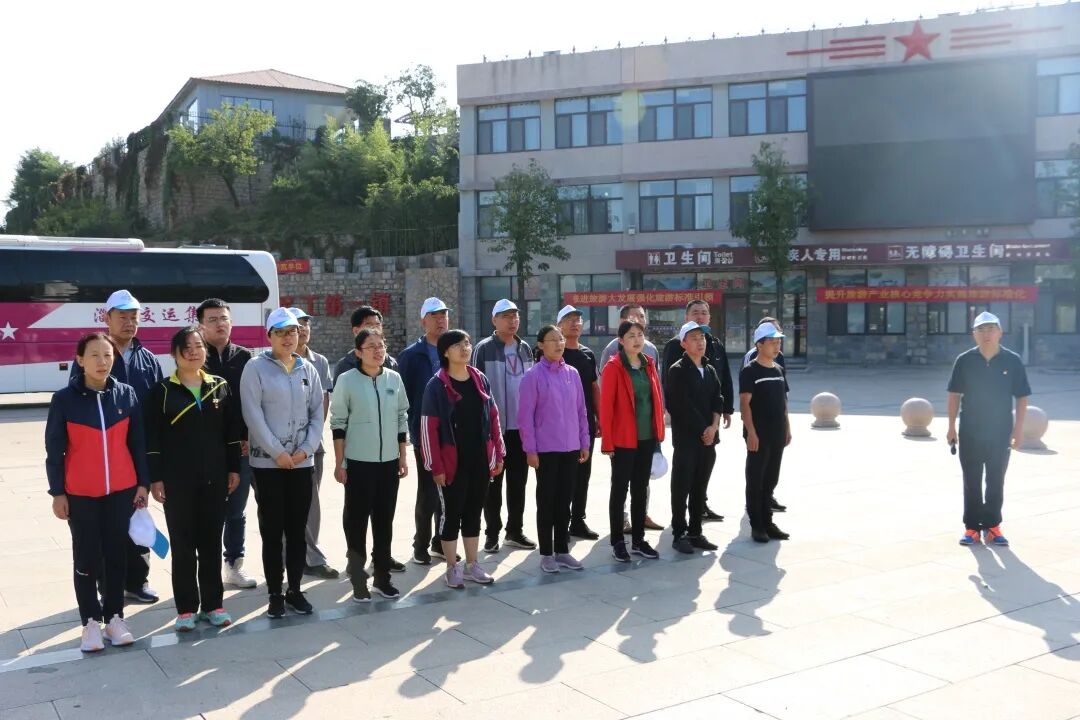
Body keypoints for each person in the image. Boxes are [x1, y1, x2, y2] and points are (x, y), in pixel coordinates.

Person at [47, 332, 149, 652]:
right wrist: (57, 492)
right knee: (87, 556)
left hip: (121, 491)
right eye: (94, 355)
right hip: (81, 494)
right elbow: (54, 450)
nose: (102, 361)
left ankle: (115, 618)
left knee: (116, 555)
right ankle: (90, 622)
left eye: (107, 355)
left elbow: (138, 443)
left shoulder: (126, 394)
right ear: (80, 360)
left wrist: (143, 483)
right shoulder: (64, 399)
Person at [145, 327, 242, 631]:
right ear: (175, 354)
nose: (193, 352)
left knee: (211, 544)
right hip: (177, 482)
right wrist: (156, 478)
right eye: (186, 348)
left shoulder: (219, 386)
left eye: (198, 346)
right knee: (183, 545)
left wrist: (234, 469)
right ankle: (186, 609)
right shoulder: (162, 391)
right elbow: (153, 439)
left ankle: (214, 605)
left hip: (215, 479)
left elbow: (231, 434)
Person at [71, 289, 163, 604]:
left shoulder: (147, 359)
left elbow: (157, 408)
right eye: (122, 316)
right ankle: (106, 585)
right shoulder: (94, 355)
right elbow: (76, 403)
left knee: (137, 516)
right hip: (102, 454)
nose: (129, 322)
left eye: (134, 316)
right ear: (106, 318)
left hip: (138, 452)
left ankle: (137, 581)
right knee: (104, 525)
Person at [240, 308, 324, 618]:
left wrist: (306, 449)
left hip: (301, 463)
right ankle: (275, 592)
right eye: (281, 333)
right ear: (269, 336)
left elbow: (317, 414)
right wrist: (277, 452)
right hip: (268, 465)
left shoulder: (307, 370)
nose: (288, 338)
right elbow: (253, 414)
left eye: (292, 332)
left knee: (297, 529)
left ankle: (295, 590)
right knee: (273, 531)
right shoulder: (255, 368)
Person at [421, 330, 505, 588]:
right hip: (451, 462)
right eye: (458, 344)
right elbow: (428, 428)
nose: (465, 348)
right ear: (446, 352)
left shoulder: (479, 378)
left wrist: (498, 451)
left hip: (479, 458)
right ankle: (451, 567)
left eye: (467, 343)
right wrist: (435, 466)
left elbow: (493, 416)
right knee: (451, 513)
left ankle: (472, 565)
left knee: (473, 512)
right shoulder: (436, 385)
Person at [330, 328, 410, 602]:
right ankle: (357, 578)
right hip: (358, 463)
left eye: (381, 345)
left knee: (384, 521)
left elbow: (401, 417)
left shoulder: (394, 379)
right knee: (357, 522)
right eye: (371, 346)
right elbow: (338, 423)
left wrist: (402, 456)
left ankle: (382, 578)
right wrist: (340, 462)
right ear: (358, 353)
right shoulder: (347, 381)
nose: (378, 351)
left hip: (388, 463)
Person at [947, 312, 1030, 547]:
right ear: (974, 334)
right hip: (970, 429)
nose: (986, 334)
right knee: (971, 480)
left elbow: (1022, 396)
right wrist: (951, 426)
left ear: (1000, 332)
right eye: (981, 330)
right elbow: (954, 394)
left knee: (996, 479)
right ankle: (972, 527)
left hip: (1000, 431)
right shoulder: (964, 360)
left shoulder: (1012, 361)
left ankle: (993, 525)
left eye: (991, 329)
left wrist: (1019, 429)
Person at [518, 325, 591, 573]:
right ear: (541, 345)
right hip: (546, 450)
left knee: (565, 500)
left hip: (571, 448)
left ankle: (562, 551)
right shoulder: (532, 376)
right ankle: (547, 554)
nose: (559, 344)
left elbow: (581, 411)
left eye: (561, 339)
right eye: (553, 340)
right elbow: (525, 417)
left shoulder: (572, 373)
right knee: (547, 501)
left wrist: (584, 442)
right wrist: (530, 449)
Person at [198, 298, 258, 590]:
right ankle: (206, 568)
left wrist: (247, 437)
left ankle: (234, 564)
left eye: (224, 318)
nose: (220, 324)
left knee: (236, 510)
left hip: (241, 448)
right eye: (212, 319)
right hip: (207, 450)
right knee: (209, 511)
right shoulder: (196, 357)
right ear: (201, 325)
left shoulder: (245, 357)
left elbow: (252, 402)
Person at [472, 299, 537, 554]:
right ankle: (492, 534)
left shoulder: (525, 349)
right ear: (494, 320)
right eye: (506, 316)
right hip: (494, 430)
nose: (512, 321)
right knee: (493, 484)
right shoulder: (483, 349)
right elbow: (475, 390)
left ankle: (515, 531)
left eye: (515, 316)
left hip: (520, 429)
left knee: (518, 483)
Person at [662, 299, 735, 523]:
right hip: (688, 425)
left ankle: (700, 506)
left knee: (704, 465)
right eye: (695, 312)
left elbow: (724, 379)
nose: (700, 316)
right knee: (685, 472)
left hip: (710, 418)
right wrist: (703, 427)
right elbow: (673, 390)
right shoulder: (675, 347)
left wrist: (724, 411)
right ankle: (680, 522)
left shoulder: (715, 345)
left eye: (704, 312)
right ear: (686, 317)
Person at [600, 320, 665, 562]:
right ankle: (618, 541)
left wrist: (659, 432)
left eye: (639, 335)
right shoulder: (614, 367)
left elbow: (656, 399)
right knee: (619, 491)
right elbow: (606, 408)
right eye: (631, 336)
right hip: (623, 440)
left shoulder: (649, 364)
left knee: (640, 489)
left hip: (647, 438)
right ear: (621, 341)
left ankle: (638, 540)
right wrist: (607, 443)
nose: (637, 340)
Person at [399, 297, 452, 565]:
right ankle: (420, 544)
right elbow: (403, 398)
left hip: (451, 433)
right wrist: (408, 431)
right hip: (424, 434)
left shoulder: (452, 350)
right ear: (424, 321)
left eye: (444, 315)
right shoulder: (411, 355)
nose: (441, 320)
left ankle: (441, 542)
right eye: (435, 316)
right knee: (428, 491)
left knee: (448, 490)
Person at [288, 306, 338, 579]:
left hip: (312, 445)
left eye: (305, 323)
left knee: (310, 502)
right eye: (298, 324)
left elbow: (324, 401)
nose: (303, 329)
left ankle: (311, 556)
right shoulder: (269, 363)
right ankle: (293, 555)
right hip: (282, 449)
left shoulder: (319, 361)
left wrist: (313, 436)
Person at [665, 321, 724, 554]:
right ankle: (679, 533)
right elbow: (681, 406)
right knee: (682, 487)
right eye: (694, 338)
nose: (700, 342)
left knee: (700, 486)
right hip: (687, 440)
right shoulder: (677, 370)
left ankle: (696, 532)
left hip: (709, 440)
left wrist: (714, 427)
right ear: (684, 343)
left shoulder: (709, 369)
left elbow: (718, 399)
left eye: (702, 338)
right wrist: (704, 429)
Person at [739, 322, 792, 544]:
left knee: (771, 478)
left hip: (777, 432)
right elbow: (745, 404)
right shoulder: (750, 371)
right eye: (772, 342)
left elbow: (783, 402)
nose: (777, 346)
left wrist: (787, 427)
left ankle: (768, 522)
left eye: (778, 342)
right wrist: (751, 432)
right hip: (758, 435)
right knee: (756, 479)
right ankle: (757, 525)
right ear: (759, 345)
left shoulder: (778, 369)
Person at [556, 306, 601, 540]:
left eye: (578, 320)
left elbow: (594, 387)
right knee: (563, 474)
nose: (575, 323)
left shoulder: (587, 354)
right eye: (569, 320)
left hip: (584, 423)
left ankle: (578, 520)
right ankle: (560, 522)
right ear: (559, 325)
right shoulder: (554, 353)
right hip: (560, 424)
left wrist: (599, 417)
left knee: (583, 472)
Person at [333, 305, 399, 385]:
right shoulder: (344, 366)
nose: (374, 329)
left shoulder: (391, 363)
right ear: (356, 331)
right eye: (369, 325)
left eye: (378, 325)